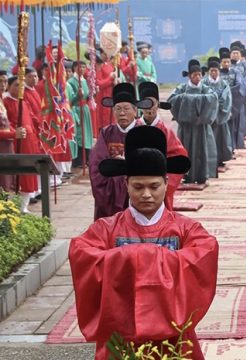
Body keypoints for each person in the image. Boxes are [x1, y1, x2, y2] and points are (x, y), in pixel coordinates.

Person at [70, 125, 217, 360]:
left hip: (174, 336)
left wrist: (130, 256)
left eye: (154, 186)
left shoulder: (187, 229)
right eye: (138, 187)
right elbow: (82, 252)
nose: (146, 194)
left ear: (166, 183)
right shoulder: (106, 229)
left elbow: (204, 252)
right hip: (121, 334)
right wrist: (154, 257)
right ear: (126, 184)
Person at [89, 83, 151, 220]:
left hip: (138, 187)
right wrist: (116, 169)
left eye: (126, 109)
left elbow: (152, 161)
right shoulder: (106, 133)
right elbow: (96, 164)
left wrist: (129, 166)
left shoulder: (146, 133)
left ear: (135, 111)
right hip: (111, 191)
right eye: (118, 109)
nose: (122, 113)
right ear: (113, 111)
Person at [138, 81, 188, 209]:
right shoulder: (134, 129)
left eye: (152, 104)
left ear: (158, 105)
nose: (149, 108)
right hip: (137, 184)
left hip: (159, 182)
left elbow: (180, 158)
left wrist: (166, 184)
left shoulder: (165, 131)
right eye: (145, 104)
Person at [167, 59, 219, 184]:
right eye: (194, 75)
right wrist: (190, 100)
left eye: (199, 75)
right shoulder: (182, 88)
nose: (197, 77)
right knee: (186, 150)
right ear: (189, 76)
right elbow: (171, 100)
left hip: (201, 127)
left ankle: (202, 174)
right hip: (186, 128)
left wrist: (188, 100)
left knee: (202, 150)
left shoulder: (206, 89)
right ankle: (187, 175)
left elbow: (213, 98)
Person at [3, 77, 41, 212]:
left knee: (29, 172)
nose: (20, 88)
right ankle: (16, 206)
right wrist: (16, 132)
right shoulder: (5, 102)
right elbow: (7, 124)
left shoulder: (24, 102)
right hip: (17, 141)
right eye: (16, 85)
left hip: (29, 140)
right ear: (9, 87)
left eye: (22, 86)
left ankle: (24, 205)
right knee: (19, 174)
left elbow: (31, 119)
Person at [202, 56, 233, 172]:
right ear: (208, 72)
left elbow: (227, 99)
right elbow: (202, 99)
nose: (214, 73)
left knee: (221, 139)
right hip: (208, 116)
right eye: (212, 71)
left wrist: (219, 109)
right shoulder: (204, 82)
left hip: (220, 116)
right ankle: (209, 161)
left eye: (216, 71)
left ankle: (220, 160)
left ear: (219, 71)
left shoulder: (224, 83)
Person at [66, 61, 94, 169]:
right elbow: (70, 100)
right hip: (76, 109)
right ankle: (78, 160)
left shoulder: (85, 81)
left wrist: (92, 93)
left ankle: (86, 158)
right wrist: (78, 96)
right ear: (74, 68)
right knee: (79, 135)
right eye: (79, 67)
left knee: (86, 134)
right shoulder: (71, 82)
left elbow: (87, 97)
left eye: (83, 67)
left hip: (85, 109)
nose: (81, 69)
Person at [94, 48, 119, 132]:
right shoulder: (98, 65)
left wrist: (116, 81)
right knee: (104, 116)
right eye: (105, 54)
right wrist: (110, 78)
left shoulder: (110, 65)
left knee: (112, 116)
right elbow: (99, 84)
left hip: (111, 93)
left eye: (108, 54)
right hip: (103, 94)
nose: (107, 56)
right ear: (100, 54)